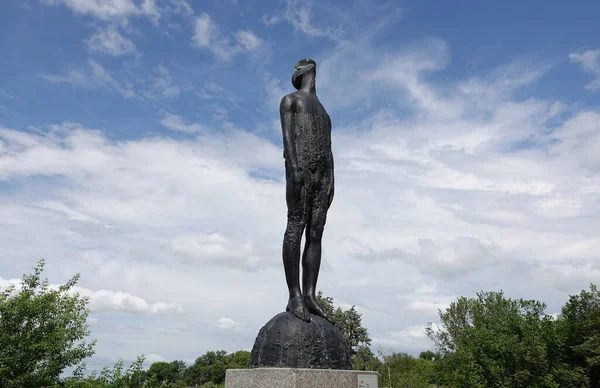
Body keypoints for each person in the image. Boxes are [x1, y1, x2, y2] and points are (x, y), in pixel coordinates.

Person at [280, 58, 334, 322]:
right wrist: (295, 169)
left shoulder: (324, 113)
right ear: (300, 73)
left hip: (322, 178)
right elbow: (288, 140)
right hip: (301, 173)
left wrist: (331, 179)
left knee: (316, 233)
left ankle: (310, 294)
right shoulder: (290, 101)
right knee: (296, 226)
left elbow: (330, 151)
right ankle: (295, 295)